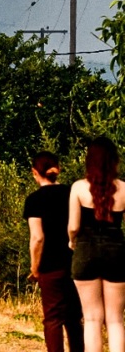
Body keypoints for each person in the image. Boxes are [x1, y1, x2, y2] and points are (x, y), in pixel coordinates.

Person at [69, 136, 125, 352]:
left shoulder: (78, 188)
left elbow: (73, 226)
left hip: (85, 251)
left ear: (89, 160)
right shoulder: (124, 189)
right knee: (115, 320)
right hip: (116, 253)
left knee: (92, 319)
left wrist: (72, 241)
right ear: (114, 160)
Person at [23, 151, 83, 352]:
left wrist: (35, 267)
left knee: (53, 318)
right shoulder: (72, 193)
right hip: (75, 262)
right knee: (74, 317)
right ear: (59, 169)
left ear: (34, 173)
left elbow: (37, 237)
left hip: (50, 265)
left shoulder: (34, 200)